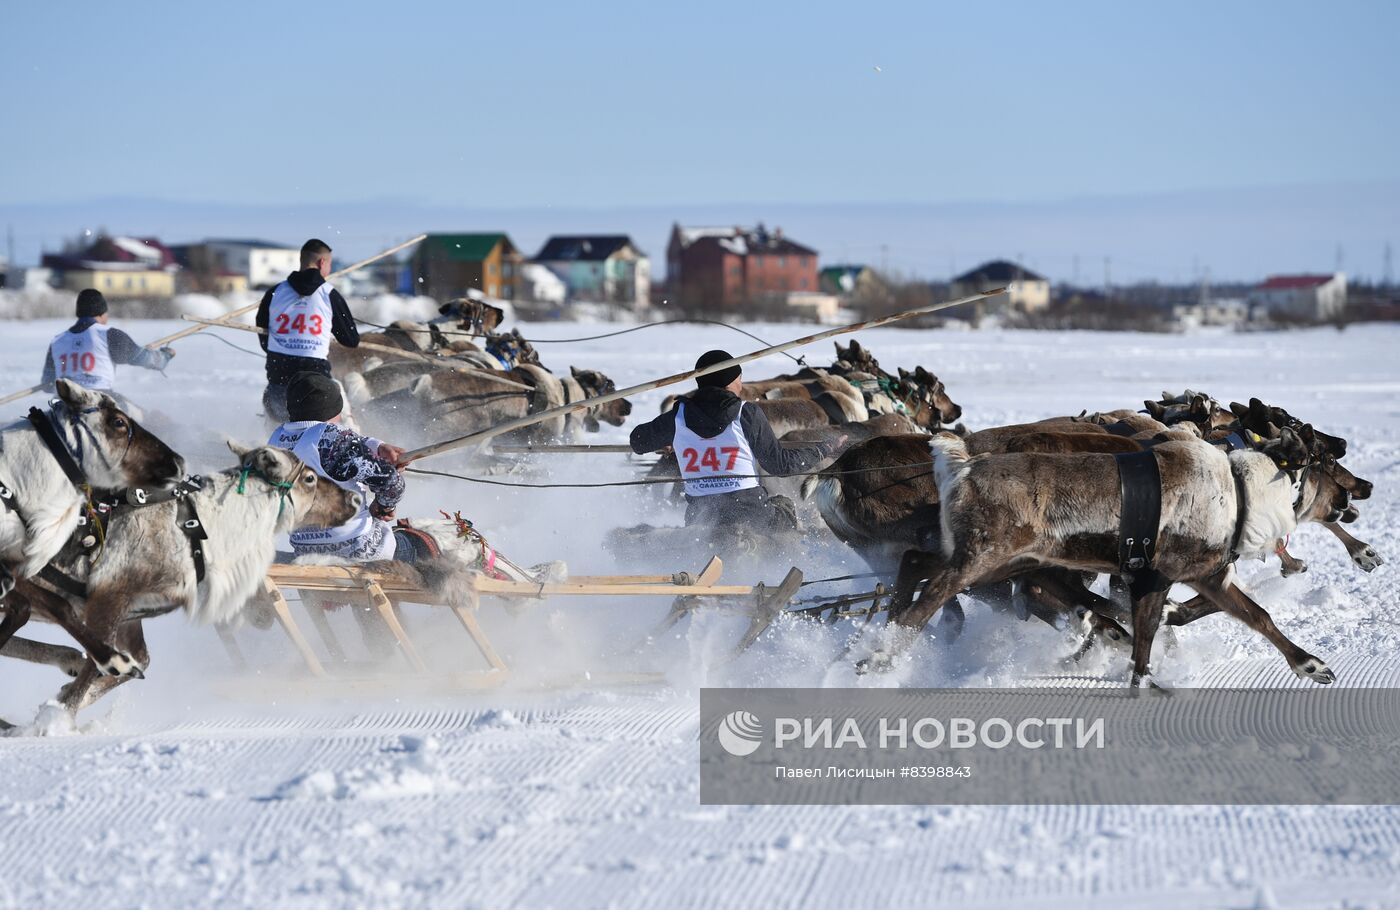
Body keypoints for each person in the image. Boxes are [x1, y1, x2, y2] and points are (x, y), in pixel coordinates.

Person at [629, 350, 844, 530]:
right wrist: (823, 449)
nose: (741, 385)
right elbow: (781, 464)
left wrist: (668, 439)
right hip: (751, 515)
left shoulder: (677, 417)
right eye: (739, 378)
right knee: (784, 507)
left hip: (700, 519)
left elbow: (637, 441)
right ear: (729, 382)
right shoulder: (746, 413)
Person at [266, 371, 423, 562]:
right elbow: (391, 482)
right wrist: (384, 506)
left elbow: (339, 443)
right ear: (335, 409)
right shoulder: (334, 439)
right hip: (359, 547)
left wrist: (376, 446)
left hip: (306, 550)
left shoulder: (277, 438)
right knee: (422, 547)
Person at [256, 238, 360, 422]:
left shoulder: (274, 292)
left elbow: (265, 339)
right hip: (315, 384)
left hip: (278, 380)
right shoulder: (329, 294)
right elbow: (350, 340)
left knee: (280, 432)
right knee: (332, 424)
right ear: (322, 263)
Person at [40, 289, 175, 396]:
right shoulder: (109, 335)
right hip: (99, 398)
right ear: (101, 313)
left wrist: (70, 375)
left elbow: (48, 384)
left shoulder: (58, 341)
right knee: (144, 421)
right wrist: (165, 356)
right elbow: (143, 358)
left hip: (63, 401)